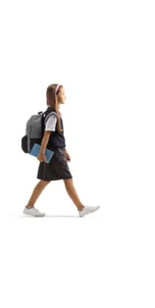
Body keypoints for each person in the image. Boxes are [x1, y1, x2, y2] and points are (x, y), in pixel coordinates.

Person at [23, 84, 100, 217]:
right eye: (63, 94)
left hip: (54, 151)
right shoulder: (53, 115)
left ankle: (29, 207)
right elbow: (47, 135)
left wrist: (65, 151)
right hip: (54, 153)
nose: (65, 96)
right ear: (55, 96)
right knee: (67, 178)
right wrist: (41, 153)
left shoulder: (51, 112)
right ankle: (81, 208)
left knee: (45, 180)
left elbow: (55, 136)